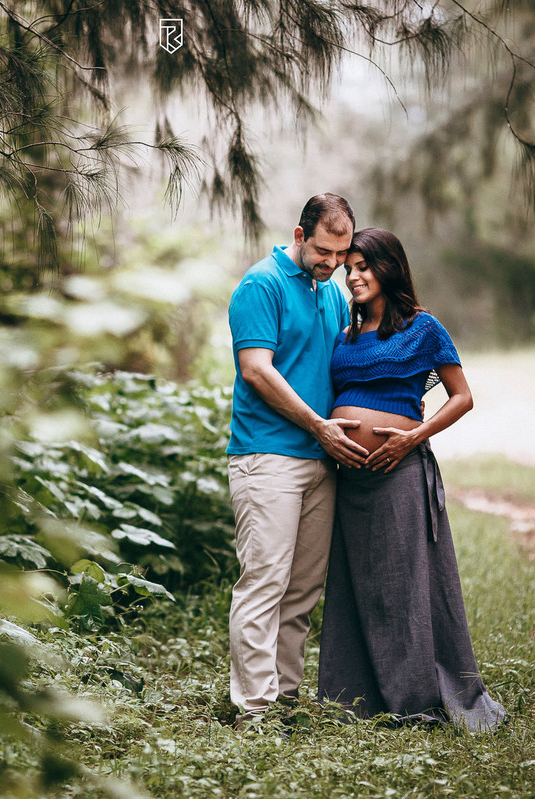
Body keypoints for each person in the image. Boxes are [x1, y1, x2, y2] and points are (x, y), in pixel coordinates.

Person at [317, 227, 507, 732]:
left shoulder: (423, 328)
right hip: (351, 483)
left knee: (404, 588)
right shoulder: (346, 334)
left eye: (363, 267)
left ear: (389, 268)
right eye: (349, 269)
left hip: (399, 472)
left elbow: (462, 396)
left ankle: (416, 696)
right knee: (357, 588)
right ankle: (356, 699)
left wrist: (413, 436)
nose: (353, 277)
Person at [226, 193, 371, 722]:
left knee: (304, 590)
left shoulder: (330, 293)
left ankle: (284, 700)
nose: (333, 263)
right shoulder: (260, 284)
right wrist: (317, 426)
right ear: (299, 235)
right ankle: (254, 711)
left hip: (322, 462)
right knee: (264, 583)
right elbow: (256, 370)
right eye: (323, 251)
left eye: (341, 254)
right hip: (267, 458)